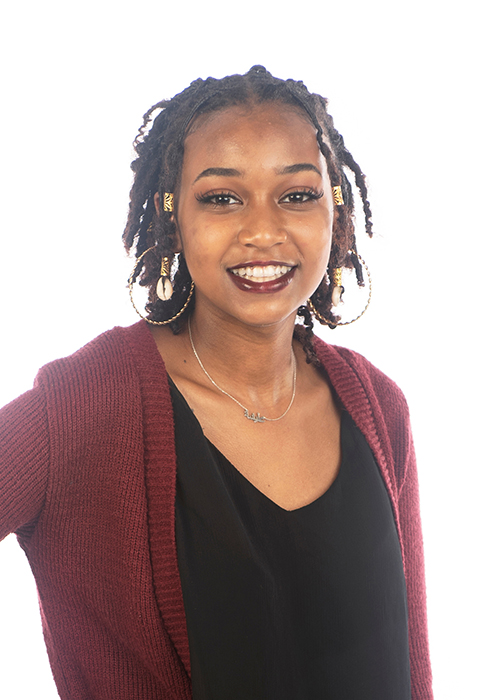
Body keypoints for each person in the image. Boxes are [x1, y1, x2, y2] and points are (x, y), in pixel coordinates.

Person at [0, 65, 433, 699]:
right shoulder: (83, 411)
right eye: (222, 197)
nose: (263, 231)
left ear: (333, 210)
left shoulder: (377, 407)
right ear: (170, 213)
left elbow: (413, 670)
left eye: (296, 194)